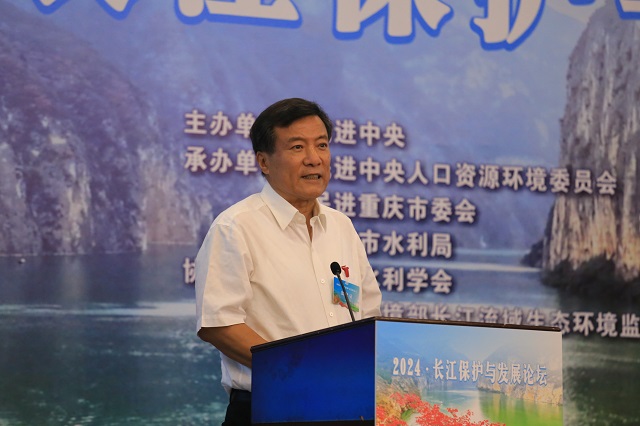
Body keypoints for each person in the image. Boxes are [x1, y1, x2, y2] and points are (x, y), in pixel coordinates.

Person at [195, 98, 382, 425]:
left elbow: (367, 313)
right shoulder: (237, 227)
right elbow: (219, 324)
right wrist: (301, 369)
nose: (314, 159)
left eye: (322, 145)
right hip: (270, 406)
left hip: (345, 406)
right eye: (297, 147)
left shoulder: (341, 227)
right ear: (264, 161)